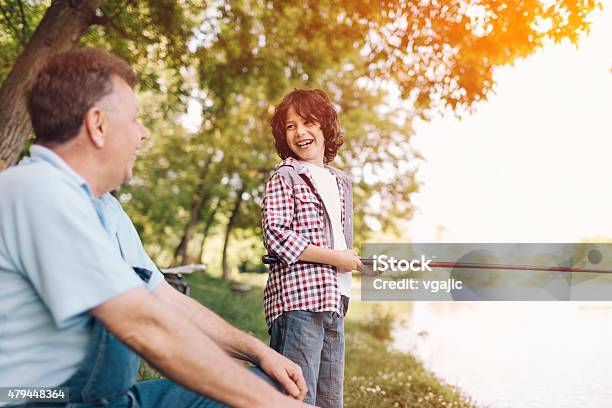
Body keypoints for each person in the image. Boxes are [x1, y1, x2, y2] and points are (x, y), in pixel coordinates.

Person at [0, 48, 310, 408]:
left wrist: (258, 352)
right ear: (98, 125)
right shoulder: (37, 190)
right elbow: (142, 324)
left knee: (265, 383)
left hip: (110, 398)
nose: (143, 133)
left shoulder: (105, 208)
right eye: (134, 120)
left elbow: (163, 300)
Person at [261, 89, 362, 407]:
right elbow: (277, 235)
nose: (300, 132)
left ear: (325, 127)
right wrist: (335, 258)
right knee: (297, 398)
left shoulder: (340, 182)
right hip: (298, 304)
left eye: (308, 122)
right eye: (291, 126)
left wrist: (350, 260)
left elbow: (341, 244)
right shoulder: (285, 177)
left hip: (333, 302)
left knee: (331, 400)